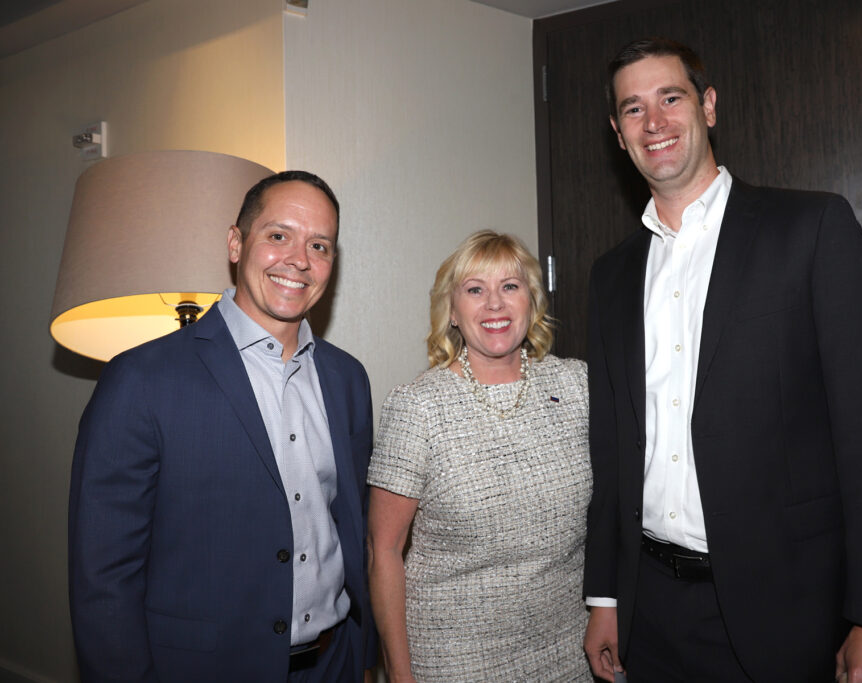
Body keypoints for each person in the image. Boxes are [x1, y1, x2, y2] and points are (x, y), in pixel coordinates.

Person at [583, 38, 862, 682]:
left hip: (785, 611)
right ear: (618, 134)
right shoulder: (612, 276)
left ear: (708, 106)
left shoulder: (810, 228)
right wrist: (605, 597)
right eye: (633, 109)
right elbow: (614, 449)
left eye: (671, 98)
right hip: (649, 613)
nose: (653, 122)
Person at [68, 171, 376, 682]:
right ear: (236, 243)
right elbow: (104, 575)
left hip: (333, 663)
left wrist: (362, 658)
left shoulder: (348, 379)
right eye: (278, 235)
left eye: (319, 245)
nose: (299, 259)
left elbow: (355, 526)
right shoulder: (142, 378)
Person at [367, 230, 592, 682]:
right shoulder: (417, 407)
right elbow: (383, 550)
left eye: (510, 286)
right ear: (452, 311)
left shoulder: (577, 387)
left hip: (569, 649)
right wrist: (399, 675)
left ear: (532, 301)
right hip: (453, 658)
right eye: (475, 290)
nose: (494, 304)